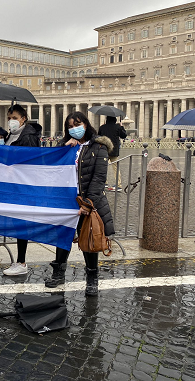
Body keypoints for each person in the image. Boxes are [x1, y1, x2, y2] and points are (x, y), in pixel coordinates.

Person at [44, 111, 115, 297]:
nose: (74, 128)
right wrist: (64, 148)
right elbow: (52, 169)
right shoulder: (66, 146)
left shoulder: (99, 147)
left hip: (87, 202)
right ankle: (58, 272)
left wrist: (88, 203)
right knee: (63, 237)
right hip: (67, 201)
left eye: (77, 124)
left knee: (89, 240)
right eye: (70, 126)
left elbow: (99, 178)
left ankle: (92, 278)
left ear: (85, 123)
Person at [2, 104, 42, 276]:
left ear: (23, 119)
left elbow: (32, 162)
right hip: (12, 185)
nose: (11, 121)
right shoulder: (11, 135)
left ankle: (21, 261)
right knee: (16, 221)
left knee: (21, 222)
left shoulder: (29, 136)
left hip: (23, 186)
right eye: (9, 118)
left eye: (15, 118)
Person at [98, 116, 127, 192]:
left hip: (104, 150)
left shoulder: (102, 127)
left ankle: (105, 183)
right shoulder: (117, 127)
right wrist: (122, 127)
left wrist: (103, 126)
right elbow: (124, 135)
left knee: (103, 166)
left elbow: (98, 137)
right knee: (116, 168)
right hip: (114, 150)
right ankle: (118, 185)